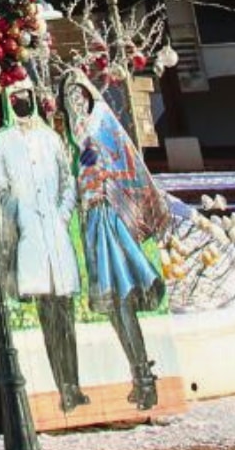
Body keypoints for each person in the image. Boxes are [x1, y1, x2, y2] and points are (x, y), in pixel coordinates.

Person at [62, 71, 167, 411]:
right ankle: (141, 374)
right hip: (93, 221)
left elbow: (122, 170)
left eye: (79, 102)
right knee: (118, 303)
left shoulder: (100, 133)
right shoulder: (77, 141)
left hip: (108, 221)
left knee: (121, 298)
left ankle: (142, 374)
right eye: (70, 103)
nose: (75, 109)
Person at [0, 81, 87, 411]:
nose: (23, 104)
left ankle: (73, 384)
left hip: (56, 233)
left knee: (66, 315)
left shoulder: (51, 138)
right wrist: (21, 212)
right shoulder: (2, 143)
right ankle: (61, 386)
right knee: (48, 316)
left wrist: (62, 212)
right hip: (30, 237)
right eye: (16, 99)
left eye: (26, 99)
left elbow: (67, 180)